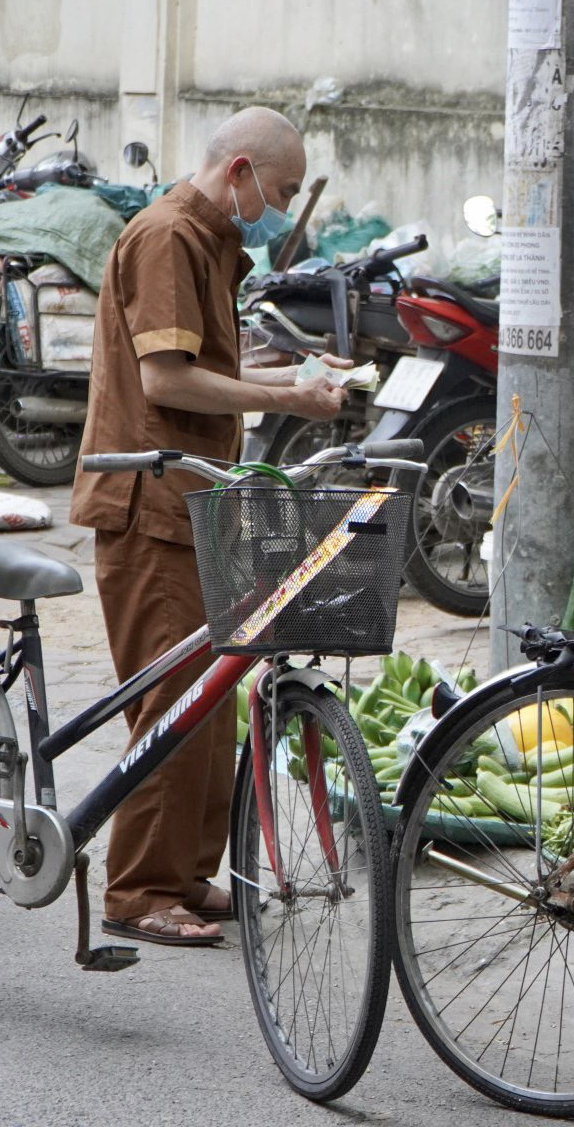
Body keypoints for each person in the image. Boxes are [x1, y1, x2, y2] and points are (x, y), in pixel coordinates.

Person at [70, 106, 347, 947]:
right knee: (169, 705)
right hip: (148, 506)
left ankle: (187, 874)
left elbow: (210, 366)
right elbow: (167, 381)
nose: (283, 206)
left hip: (198, 502)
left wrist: (288, 369)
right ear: (239, 174)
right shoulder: (168, 238)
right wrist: (288, 396)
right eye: (283, 189)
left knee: (210, 702)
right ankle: (140, 888)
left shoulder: (210, 245)